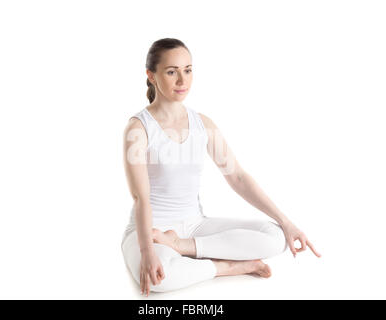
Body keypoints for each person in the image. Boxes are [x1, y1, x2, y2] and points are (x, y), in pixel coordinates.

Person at [122, 38, 321, 296]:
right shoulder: (138, 129)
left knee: (276, 237)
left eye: (188, 70)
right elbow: (141, 198)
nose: (183, 81)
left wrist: (287, 222)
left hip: (194, 226)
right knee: (161, 279)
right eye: (172, 72)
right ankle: (227, 267)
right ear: (151, 75)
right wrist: (148, 251)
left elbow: (237, 176)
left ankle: (183, 247)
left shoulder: (202, 124)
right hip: (149, 228)